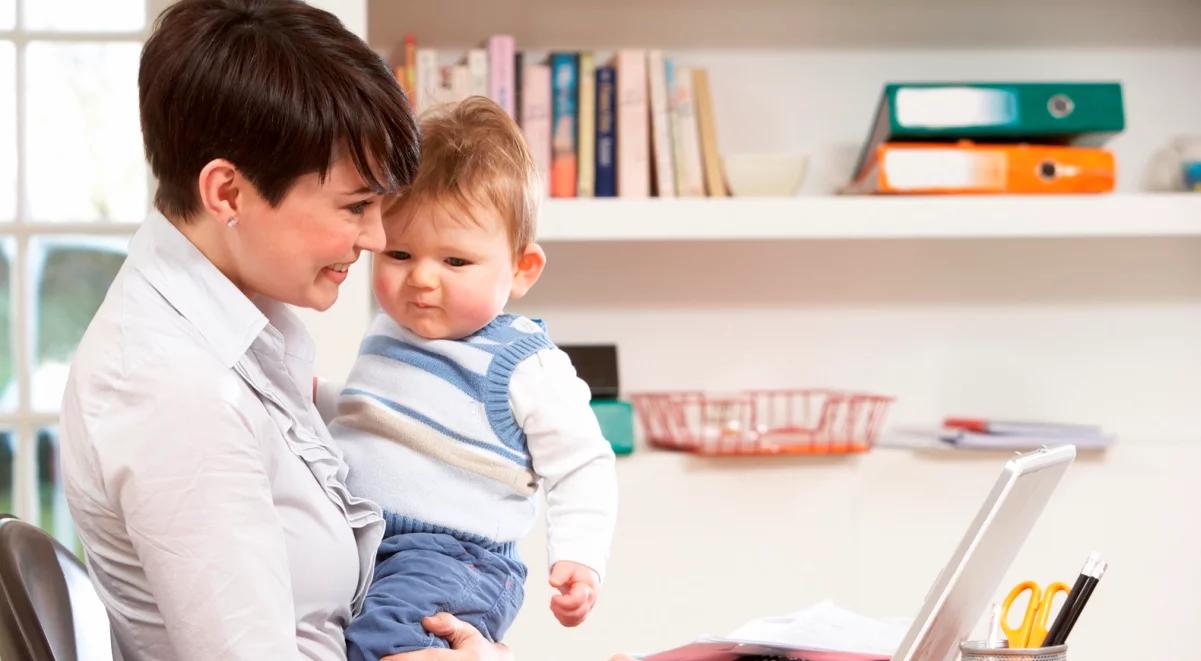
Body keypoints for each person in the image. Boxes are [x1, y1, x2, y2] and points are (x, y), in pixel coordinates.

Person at [59, 1, 509, 658]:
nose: (376, 237)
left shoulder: (231, 326)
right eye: (355, 205)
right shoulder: (176, 392)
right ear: (227, 193)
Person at [328, 97, 618, 660]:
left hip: (456, 558)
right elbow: (376, 416)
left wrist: (580, 557)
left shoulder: (523, 363)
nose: (422, 279)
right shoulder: (388, 328)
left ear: (521, 270)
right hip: (367, 541)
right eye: (400, 253)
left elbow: (583, 462)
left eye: (455, 262)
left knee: (381, 644)